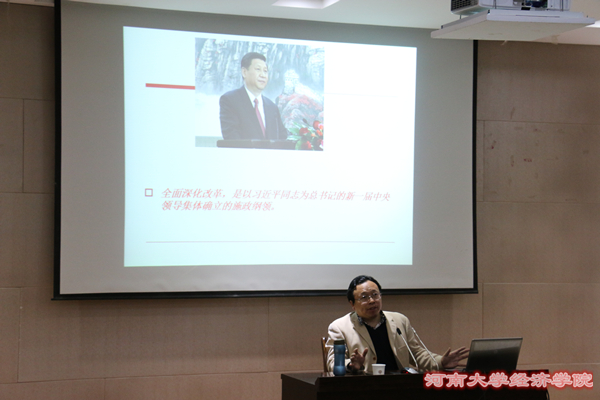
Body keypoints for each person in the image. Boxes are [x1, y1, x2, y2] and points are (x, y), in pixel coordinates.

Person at [326, 275, 469, 374]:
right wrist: (351, 365)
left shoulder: (400, 320)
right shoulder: (339, 327)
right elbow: (332, 363)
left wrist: (441, 362)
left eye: (375, 295)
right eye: (364, 297)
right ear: (352, 304)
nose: (372, 301)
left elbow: (417, 354)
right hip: (363, 388)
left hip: (399, 386)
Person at [219, 52, 288, 140]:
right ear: (244, 72)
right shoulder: (230, 100)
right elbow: (231, 137)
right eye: (258, 69)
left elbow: (282, 137)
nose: (263, 75)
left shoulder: (272, 107)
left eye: (265, 71)